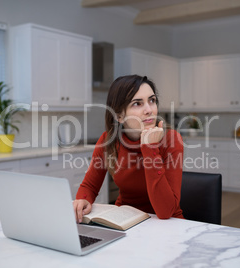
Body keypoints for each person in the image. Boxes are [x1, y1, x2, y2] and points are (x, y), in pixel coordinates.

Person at [73, 75, 184, 223]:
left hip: (166, 224)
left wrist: (149, 148)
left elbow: (165, 211)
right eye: (137, 103)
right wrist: (83, 199)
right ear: (119, 115)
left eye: (152, 100)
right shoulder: (108, 141)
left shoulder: (171, 139)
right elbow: (90, 186)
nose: (149, 110)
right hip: (126, 222)